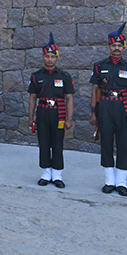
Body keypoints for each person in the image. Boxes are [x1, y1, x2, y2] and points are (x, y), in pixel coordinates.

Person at [90, 23, 127, 196]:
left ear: (123, 47)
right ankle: (109, 181)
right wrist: (93, 112)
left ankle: (122, 182)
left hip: (124, 106)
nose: (116, 48)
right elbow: (95, 90)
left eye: (119, 45)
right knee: (106, 142)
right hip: (105, 105)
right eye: (113, 45)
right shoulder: (99, 66)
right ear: (109, 46)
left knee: (124, 144)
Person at [28, 33, 74, 188]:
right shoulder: (37, 76)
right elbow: (33, 97)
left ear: (57, 58)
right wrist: (30, 117)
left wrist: (69, 118)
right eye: (47, 56)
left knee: (57, 143)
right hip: (43, 112)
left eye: (52, 56)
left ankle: (57, 175)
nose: (49, 59)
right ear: (43, 57)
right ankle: (45, 173)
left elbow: (69, 98)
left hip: (59, 113)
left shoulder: (64, 76)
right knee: (44, 142)